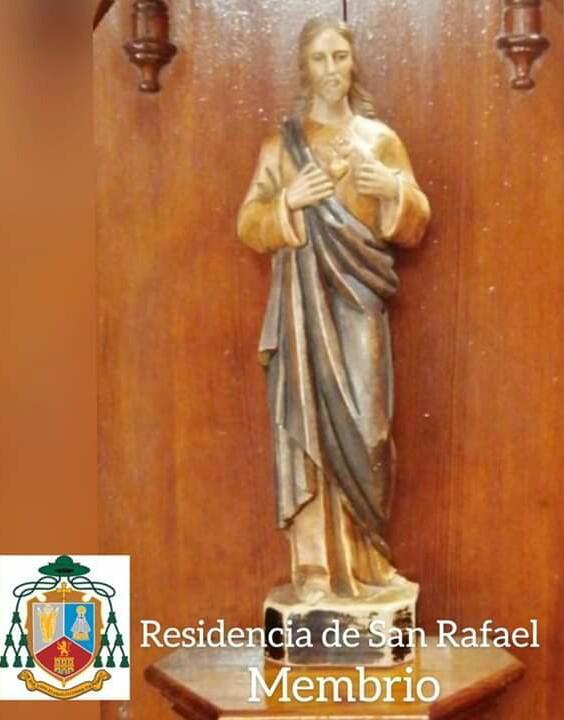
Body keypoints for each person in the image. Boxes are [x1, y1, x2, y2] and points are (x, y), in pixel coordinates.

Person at [237, 16, 430, 604]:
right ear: (305, 67)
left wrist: (391, 191)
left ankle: (369, 561)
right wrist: (289, 202)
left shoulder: (381, 140)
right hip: (303, 309)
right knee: (309, 429)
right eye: (320, 58)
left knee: (369, 429)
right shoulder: (282, 146)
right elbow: (249, 223)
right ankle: (315, 569)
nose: (331, 69)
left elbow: (415, 222)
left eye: (339, 57)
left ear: (353, 63)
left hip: (359, 300)